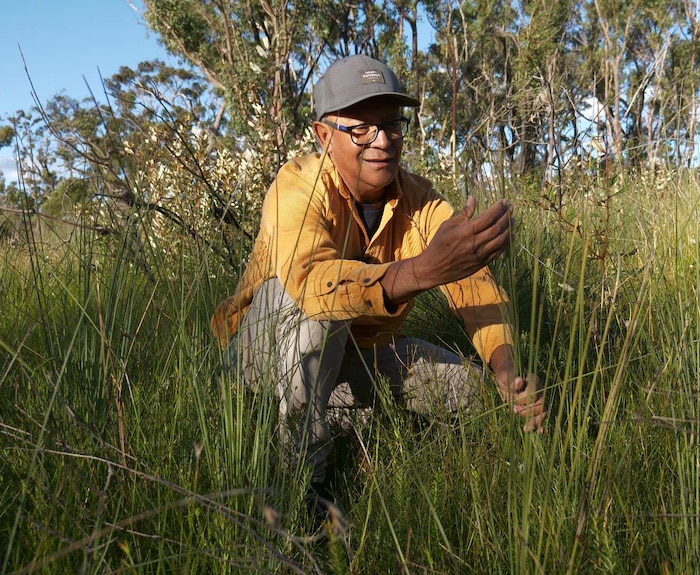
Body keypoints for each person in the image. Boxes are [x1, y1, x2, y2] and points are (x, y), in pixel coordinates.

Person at [210, 54, 546, 524]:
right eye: (362, 129)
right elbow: (311, 285)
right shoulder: (299, 185)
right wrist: (423, 271)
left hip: (356, 351)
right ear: (323, 135)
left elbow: (474, 284)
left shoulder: (418, 199)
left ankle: (344, 419)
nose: (383, 141)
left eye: (391, 124)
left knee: (471, 391)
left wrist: (507, 370)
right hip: (261, 357)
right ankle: (300, 490)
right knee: (315, 304)